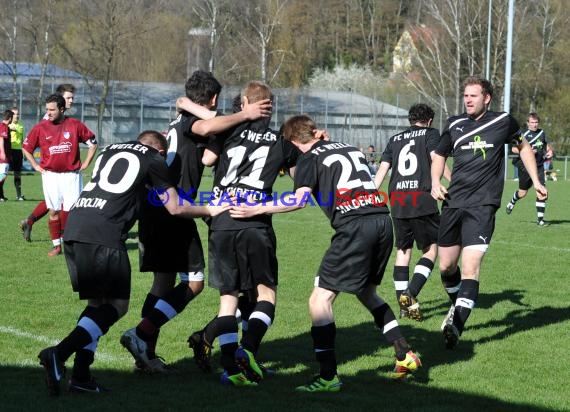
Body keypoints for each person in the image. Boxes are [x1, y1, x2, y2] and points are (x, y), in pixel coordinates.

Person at [230, 114, 421, 392]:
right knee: (367, 292)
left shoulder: (309, 157)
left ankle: (328, 377)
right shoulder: (348, 147)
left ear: (294, 142)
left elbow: (299, 199)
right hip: (381, 220)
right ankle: (404, 354)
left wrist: (256, 208)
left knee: (319, 300)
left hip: (355, 227)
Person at [37, 130, 229, 397]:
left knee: (96, 306)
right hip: (104, 233)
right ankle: (59, 353)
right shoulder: (155, 159)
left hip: (76, 226)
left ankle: (81, 376)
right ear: (161, 151)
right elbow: (174, 207)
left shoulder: (110, 149)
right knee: (117, 306)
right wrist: (210, 209)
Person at [119, 71, 271, 374]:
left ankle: (145, 354)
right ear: (213, 98)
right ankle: (142, 333)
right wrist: (246, 113)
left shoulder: (177, 119)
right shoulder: (190, 121)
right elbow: (208, 126)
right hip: (175, 209)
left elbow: (203, 158)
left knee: (162, 283)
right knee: (194, 282)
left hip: (154, 206)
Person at [192, 81, 298, 387]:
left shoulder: (230, 129)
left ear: (244, 104)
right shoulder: (281, 141)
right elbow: (298, 179)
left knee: (229, 298)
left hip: (222, 220)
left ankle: (231, 368)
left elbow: (207, 160)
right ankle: (247, 350)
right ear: (271, 107)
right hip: (255, 222)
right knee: (265, 294)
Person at [431, 76, 547, 349]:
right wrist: (435, 182)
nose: (468, 100)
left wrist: (537, 181)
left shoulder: (503, 121)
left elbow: (524, 147)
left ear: (487, 98)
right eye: (465, 95)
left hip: (482, 205)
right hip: (453, 202)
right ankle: (458, 306)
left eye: (473, 95)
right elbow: (438, 155)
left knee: (471, 267)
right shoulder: (454, 123)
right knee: (447, 266)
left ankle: (456, 327)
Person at [374, 103, 450, 321]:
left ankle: (404, 306)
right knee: (431, 249)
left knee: (403, 251)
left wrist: (369, 194)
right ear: (429, 120)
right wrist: (454, 181)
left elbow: (381, 171)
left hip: (397, 198)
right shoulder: (430, 134)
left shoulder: (394, 139)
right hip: (421, 197)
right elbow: (438, 159)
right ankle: (411, 293)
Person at [22, 93, 98, 256]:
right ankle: (56, 246)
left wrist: (86, 163)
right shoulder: (40, 127)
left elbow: (93, 144)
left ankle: (69, 242)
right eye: (47, 109)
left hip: (72, 175)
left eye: (52, 110)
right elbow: (26, 148)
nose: (48, 113)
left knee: (71, 212)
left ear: (62, 109)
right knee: (54, 211)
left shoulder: (75, 125)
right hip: (50, 175)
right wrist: (35, 165)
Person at [20, 84, 77, 241]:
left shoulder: (62, 118)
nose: (71, 100)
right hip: (53, 168)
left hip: (57, 169)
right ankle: (62, 236)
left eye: (72, 97)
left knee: (55, 201)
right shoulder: (50, 119)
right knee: (59, 203)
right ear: (60, 99)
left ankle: (30, 221)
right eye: (68, 98)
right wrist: (37, 164)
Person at [506, 112, 550, 225]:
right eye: (532, 122)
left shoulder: (542, 133)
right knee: (523, 193)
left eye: (536, 122)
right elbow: (514, 150)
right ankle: (513, 201)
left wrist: (550, 152)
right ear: (528, 123)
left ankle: (540, 220)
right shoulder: (523, 134)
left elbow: (545, 146)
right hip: (525, 167)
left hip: (539, 166)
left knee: (542, 192)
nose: (534, 125)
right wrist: (528, 151)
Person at [8, 107, 25, 200]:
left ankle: (19, 195)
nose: (17, 116)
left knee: (17, 174)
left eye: (18, 114)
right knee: (4, 173)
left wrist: (24, 153)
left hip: (18, 153)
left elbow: (22, 141)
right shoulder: (7, 126)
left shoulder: (21, 125)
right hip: (9, 151)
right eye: (15, 114)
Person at [0, 110, 14, 201]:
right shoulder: (4, 127)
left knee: (2, 176)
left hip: (5, 155)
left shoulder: (2, 126)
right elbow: (1, 139)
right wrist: (3, 152)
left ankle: (1, 195)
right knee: (3, 175)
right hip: (3, 157)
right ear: (10, 118)